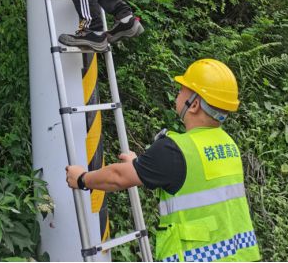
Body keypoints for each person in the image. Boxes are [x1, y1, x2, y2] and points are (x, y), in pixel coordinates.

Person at [65, 59, 261, 262]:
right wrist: (138, 165)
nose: (177, 93)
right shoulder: (228, 145)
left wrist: (81, 178)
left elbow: (117, 177)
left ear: (194, 105)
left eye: (182, 90)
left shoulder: (175, 151)